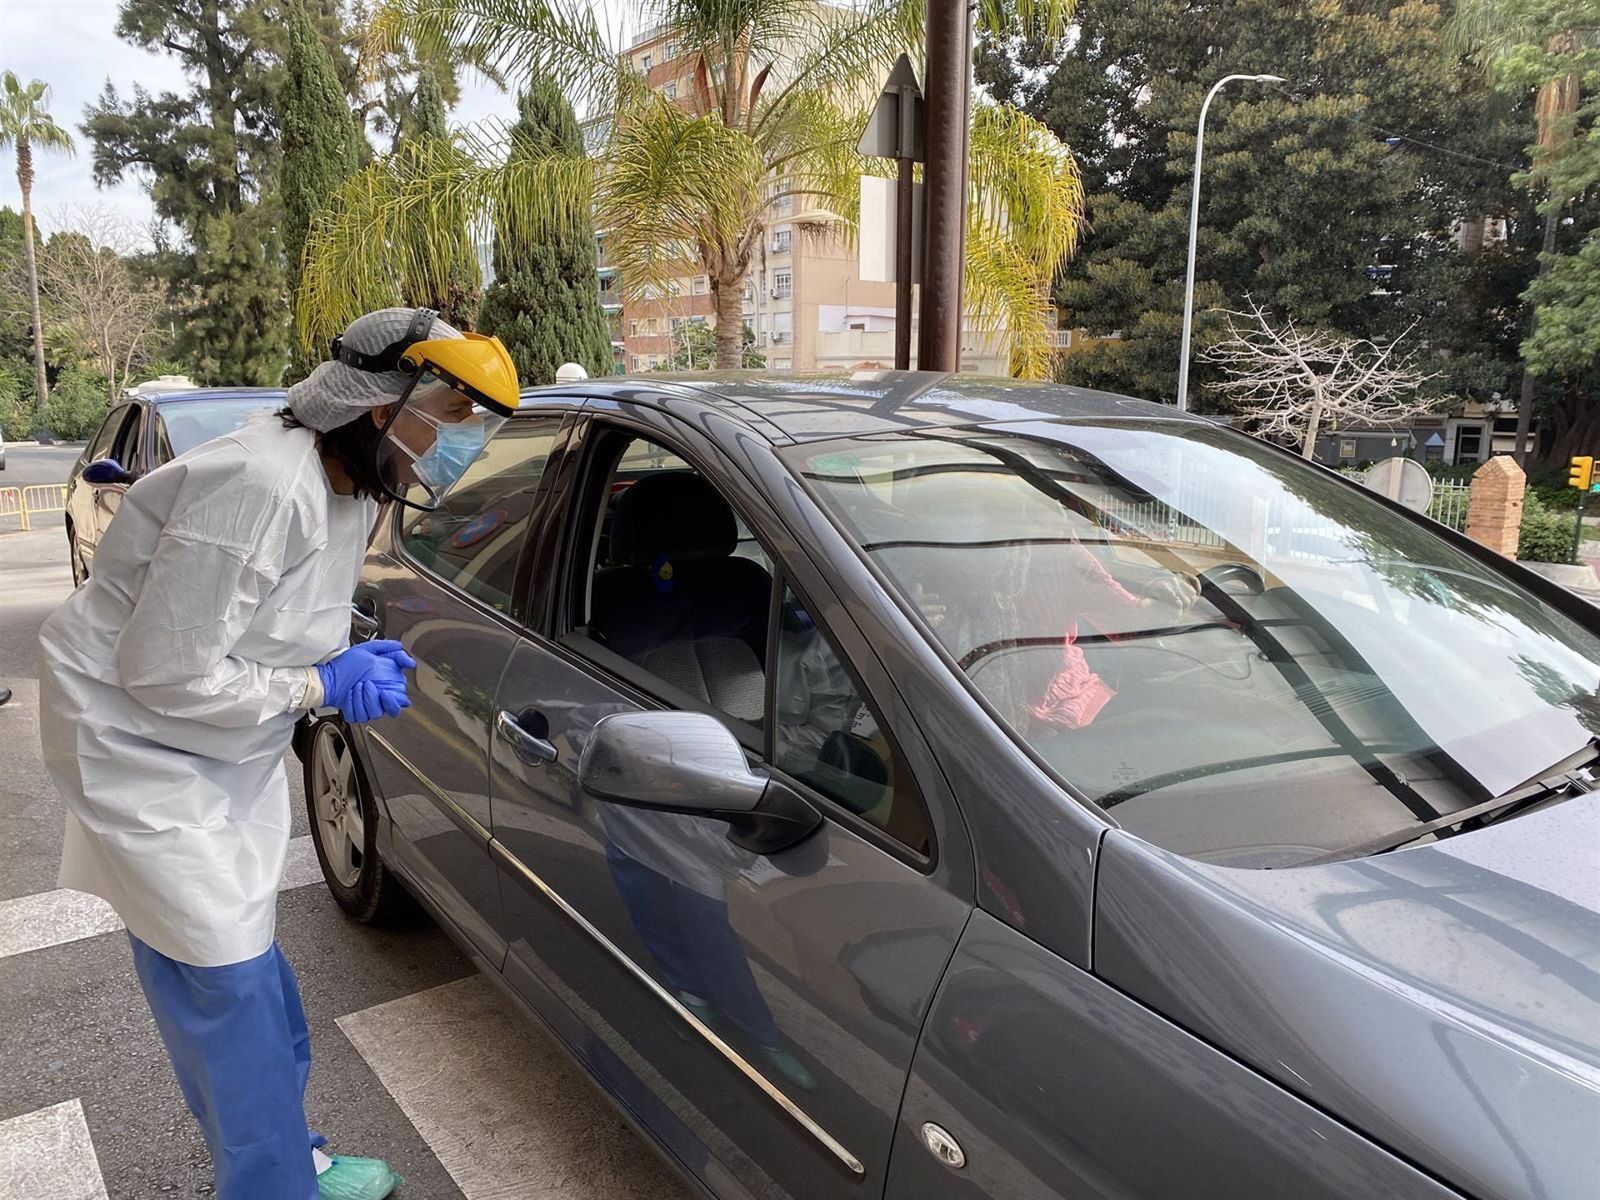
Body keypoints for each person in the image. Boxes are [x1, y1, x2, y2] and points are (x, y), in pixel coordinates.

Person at [37, 308, 521, 1200]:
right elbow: (164, 670)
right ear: (383, 408)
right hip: (144, 752)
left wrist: (332, 657)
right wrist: (320, 687)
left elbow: (267, 617)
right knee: (229, 990)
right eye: (453, 420)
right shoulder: (262, 485)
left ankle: (287, 1158)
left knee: (244, 974)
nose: (462, 446)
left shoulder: (343, 478)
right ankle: (270, 1185)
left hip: (211, 748)